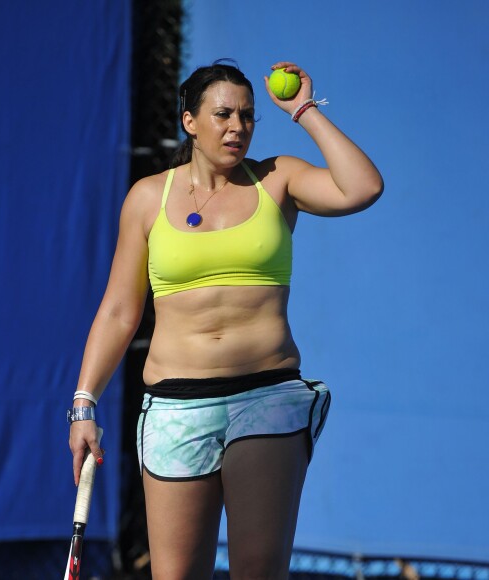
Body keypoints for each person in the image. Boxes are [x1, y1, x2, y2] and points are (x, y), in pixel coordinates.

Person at [68, 60, 383, 579]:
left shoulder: (277, 179)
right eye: (223, 114)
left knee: (258, 571)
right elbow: (121, 311)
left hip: (266, 398)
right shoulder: (149, 197)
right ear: (190, 120)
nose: (237, 127)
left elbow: (363, 187)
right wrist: (83, 404)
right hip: (175, 407)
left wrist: (303, 109)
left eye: (248, 116)